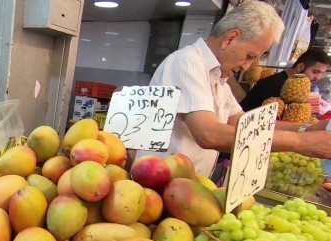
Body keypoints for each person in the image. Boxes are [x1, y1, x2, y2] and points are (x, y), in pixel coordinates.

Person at [136, 1, 331, 177]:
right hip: (161, 184)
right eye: (249, 55)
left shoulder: (217, 76)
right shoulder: (187, 62)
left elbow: (244, 123)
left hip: (188, 187)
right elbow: (208, 134)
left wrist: (306, 129)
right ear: (230, 38)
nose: (247, 66)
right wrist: (301, 143)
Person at [240, 48, 331, 111]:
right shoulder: (277, 85)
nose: (317, 78)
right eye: (315, 72)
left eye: (321, 73)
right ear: (300, 67)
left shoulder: (286, 84)